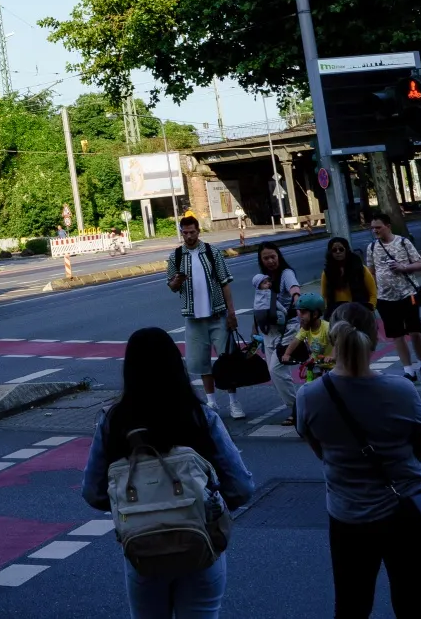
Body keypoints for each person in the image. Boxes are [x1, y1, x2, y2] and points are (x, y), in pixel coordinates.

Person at [82, 327, 255, 619]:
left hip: (142, 549)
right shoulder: (200, 416)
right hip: (202, 546)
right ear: (177, 365)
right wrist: (211, 504)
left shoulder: (113, 421)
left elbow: (93, 492)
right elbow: (241, 487)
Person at [296, 303, 421, 619]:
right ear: (375, 336)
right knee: (414, 605)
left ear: (333, 337)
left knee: (351, 606)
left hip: (348, 517)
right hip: (407, 511)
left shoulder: (310, 397)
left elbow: (320, 451)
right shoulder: (402, 390)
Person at [165, 216, 242, 419]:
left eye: (192, 232)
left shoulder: (211, 252)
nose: (189, 236)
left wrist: (231, 313)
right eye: (185, 232)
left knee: (226, 360)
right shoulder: (176, 257)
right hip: (193, 319)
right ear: (181, 232)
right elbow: (172, 287)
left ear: (198, 231)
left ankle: (234, 403)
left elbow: (225, 282)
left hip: (217, 314)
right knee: (201, 362)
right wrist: (177, 280)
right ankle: (212, 403)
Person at [367, 212, 421, 385]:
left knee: (415, 331)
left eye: (378, 227)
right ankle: (408, 370)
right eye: (373, 228)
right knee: (397, 335)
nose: (375, 231)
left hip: (408, 294)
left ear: (388, 226)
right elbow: (371, 272)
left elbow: (420, 264)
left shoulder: (403, 242)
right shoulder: (372, 247)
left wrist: (403, 267)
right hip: (385, 299)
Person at [249, 245, 301, 419]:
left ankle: (298, 408)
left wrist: (298, 302)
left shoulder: (286, 273)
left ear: (279, 255)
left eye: (273, 256)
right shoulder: (262, 279)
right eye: (266, 258)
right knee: (275, 372)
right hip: (269, 332)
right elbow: (260, 303)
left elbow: (294, 289)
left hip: (287, 328)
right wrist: (254, 326)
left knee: (277, 369)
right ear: (261, 260)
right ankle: (297, 409)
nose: (271, 261)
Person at [276, 292, 333, 419]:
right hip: (315, 362)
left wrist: (332, 356)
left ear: (316, 313)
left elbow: (338, 343)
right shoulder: (305, 328)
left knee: (334, 386)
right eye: (299, 312)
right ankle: (302, 413)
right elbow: (296, 341)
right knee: (310, 387)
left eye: (303, 313)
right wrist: (287, 353)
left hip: (332, 364)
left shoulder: (327, 327)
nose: (300, 316)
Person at [321, 236, 377, 311]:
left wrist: (369, 308)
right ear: (330, 252)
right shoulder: (327, 272)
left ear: (346, 250)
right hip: (337, 313)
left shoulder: (360, 269)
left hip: (360, 311)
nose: (338, 252)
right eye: (334, 250)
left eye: (341, 249)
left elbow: (373, 293)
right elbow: (324, 297)